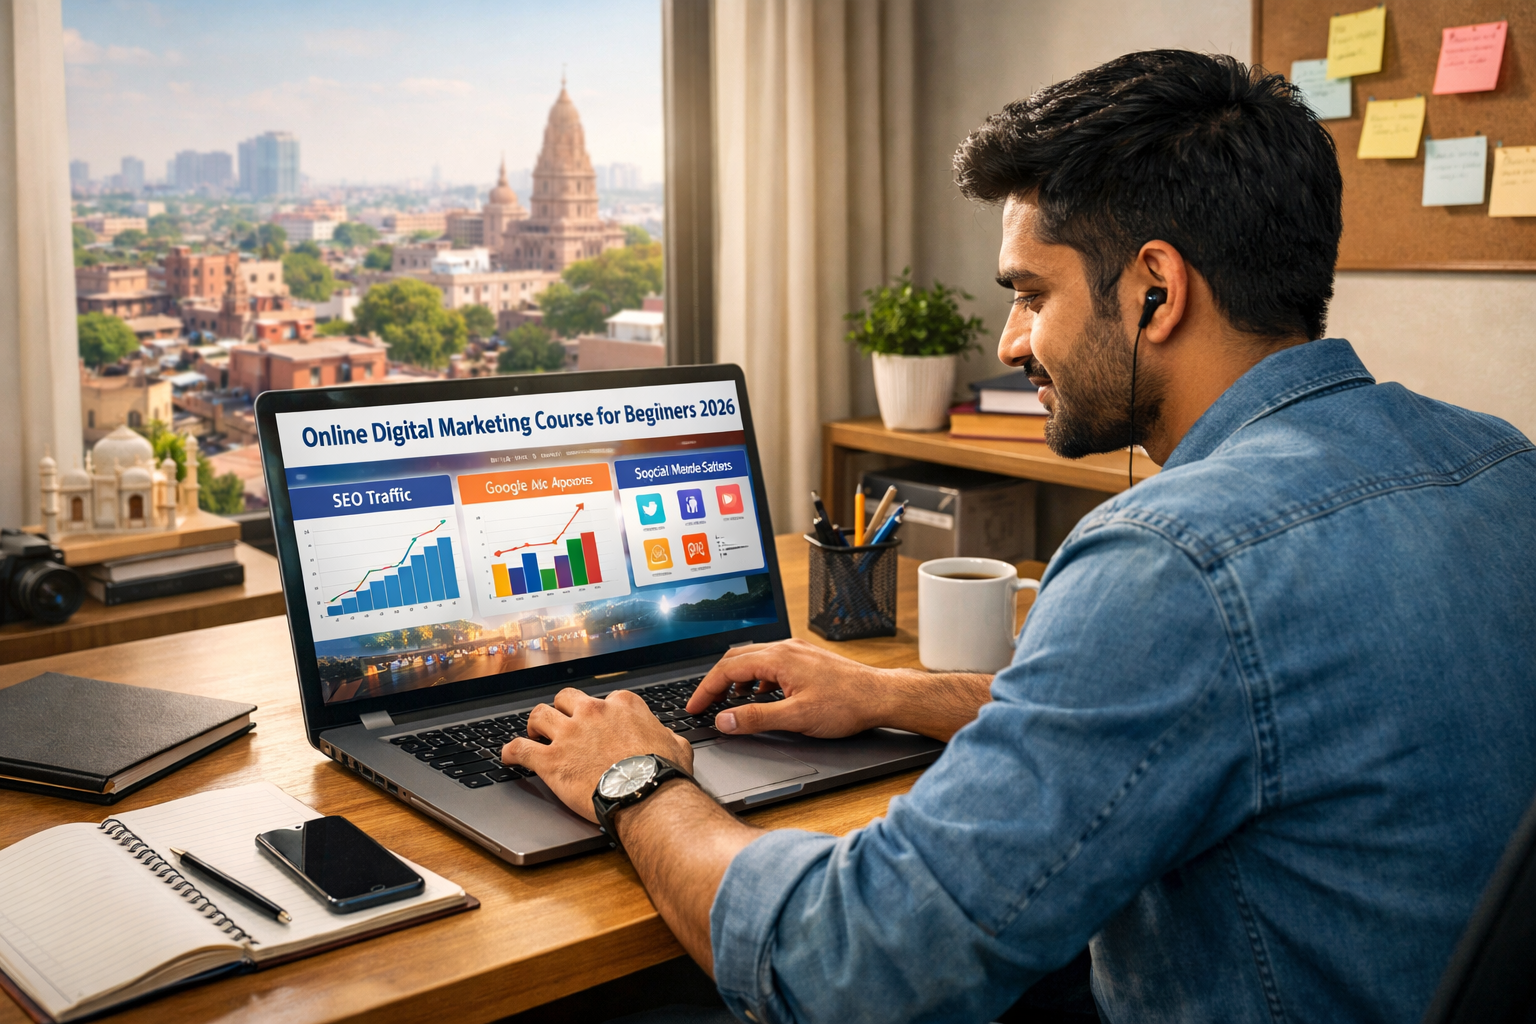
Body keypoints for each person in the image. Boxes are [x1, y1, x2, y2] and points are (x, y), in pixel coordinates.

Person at [502, 50, 1536, 1024]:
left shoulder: (1173, 559)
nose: (1009, 343)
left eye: (1032, 295)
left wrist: (635, 779)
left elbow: (853, 967)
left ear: (1157, 290)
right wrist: (893, 696)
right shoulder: (1501, 463)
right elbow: (1219, 715)